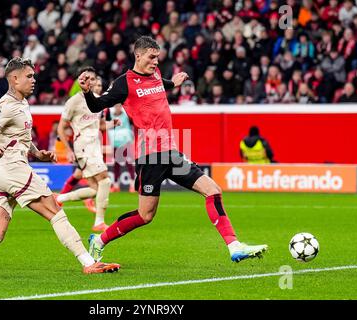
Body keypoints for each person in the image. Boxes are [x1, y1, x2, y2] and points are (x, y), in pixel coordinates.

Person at [0, 57, 120, 274]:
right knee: (55, 212)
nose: (34, 80)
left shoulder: (21, 103)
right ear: (14, 79)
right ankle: (89, 262)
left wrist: (37, 153)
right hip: (11, 168)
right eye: (29, 76)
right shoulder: (6, 105)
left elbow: (20, 137)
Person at [79, 36, 268, 263]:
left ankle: (234, 246)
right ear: (138, 55)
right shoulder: (124, 83)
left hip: (171, 152)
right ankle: (99, 241)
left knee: (213, 190)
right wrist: (88, 92)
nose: (156, 62)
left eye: (157, 57)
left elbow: (161, 84)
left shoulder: (157, 75)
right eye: (151, 57)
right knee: (145, 215)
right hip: (149, 156)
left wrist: (174, 83)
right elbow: (97, 105)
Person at [56, 70, 121, 232]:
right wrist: (68, 149)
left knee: (95, 190)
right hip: (84, 146)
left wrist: (113, 124)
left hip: (95, 146)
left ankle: (59, 198)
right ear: (80, 80)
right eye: (86, 78)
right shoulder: (73, 102)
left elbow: (98, 125)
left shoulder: (97, 101)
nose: (89, 81)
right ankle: (99, 222)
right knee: (105, 181)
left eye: (93, 78)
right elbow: (60, 128)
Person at [106, 104, 135, 192]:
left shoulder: (126, 115)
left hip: (125, 142)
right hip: (115, 142)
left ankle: (132, 185)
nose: (118, 108)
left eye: (119, 106)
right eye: (116, 106)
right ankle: (115, 185)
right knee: (116, 164)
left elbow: (132, 125)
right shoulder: (111, 116)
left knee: (128, 163)